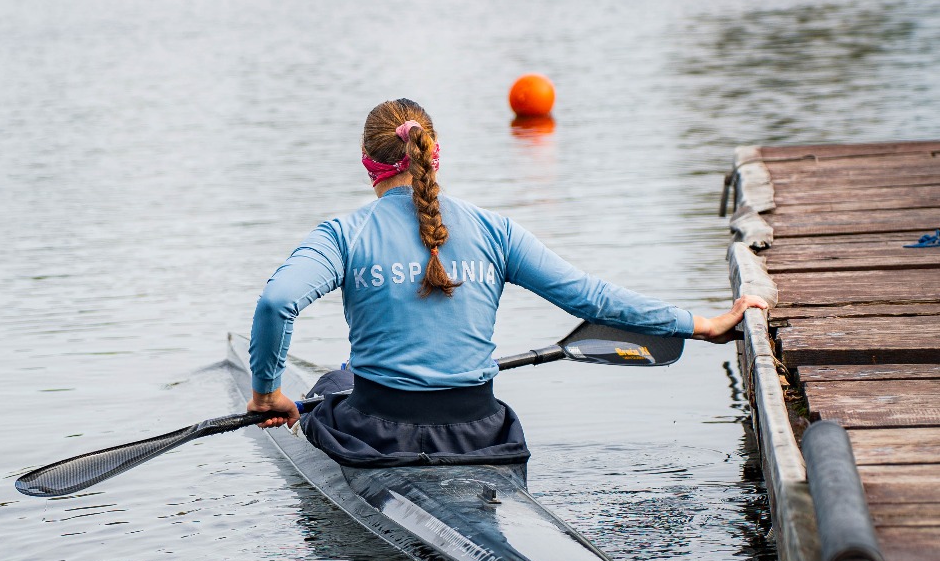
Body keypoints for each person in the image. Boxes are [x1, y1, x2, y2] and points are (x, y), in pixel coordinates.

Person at [247, 97, 766, 469]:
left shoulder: (344, 233)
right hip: (480, 433)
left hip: (377, 436)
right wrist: (701, 324)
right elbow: (591, 298)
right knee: (344, 383)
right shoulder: (496, 230)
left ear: (369, 165)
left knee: (332, 386)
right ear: (434, 152)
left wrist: (267, 394)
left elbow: (276, 303)